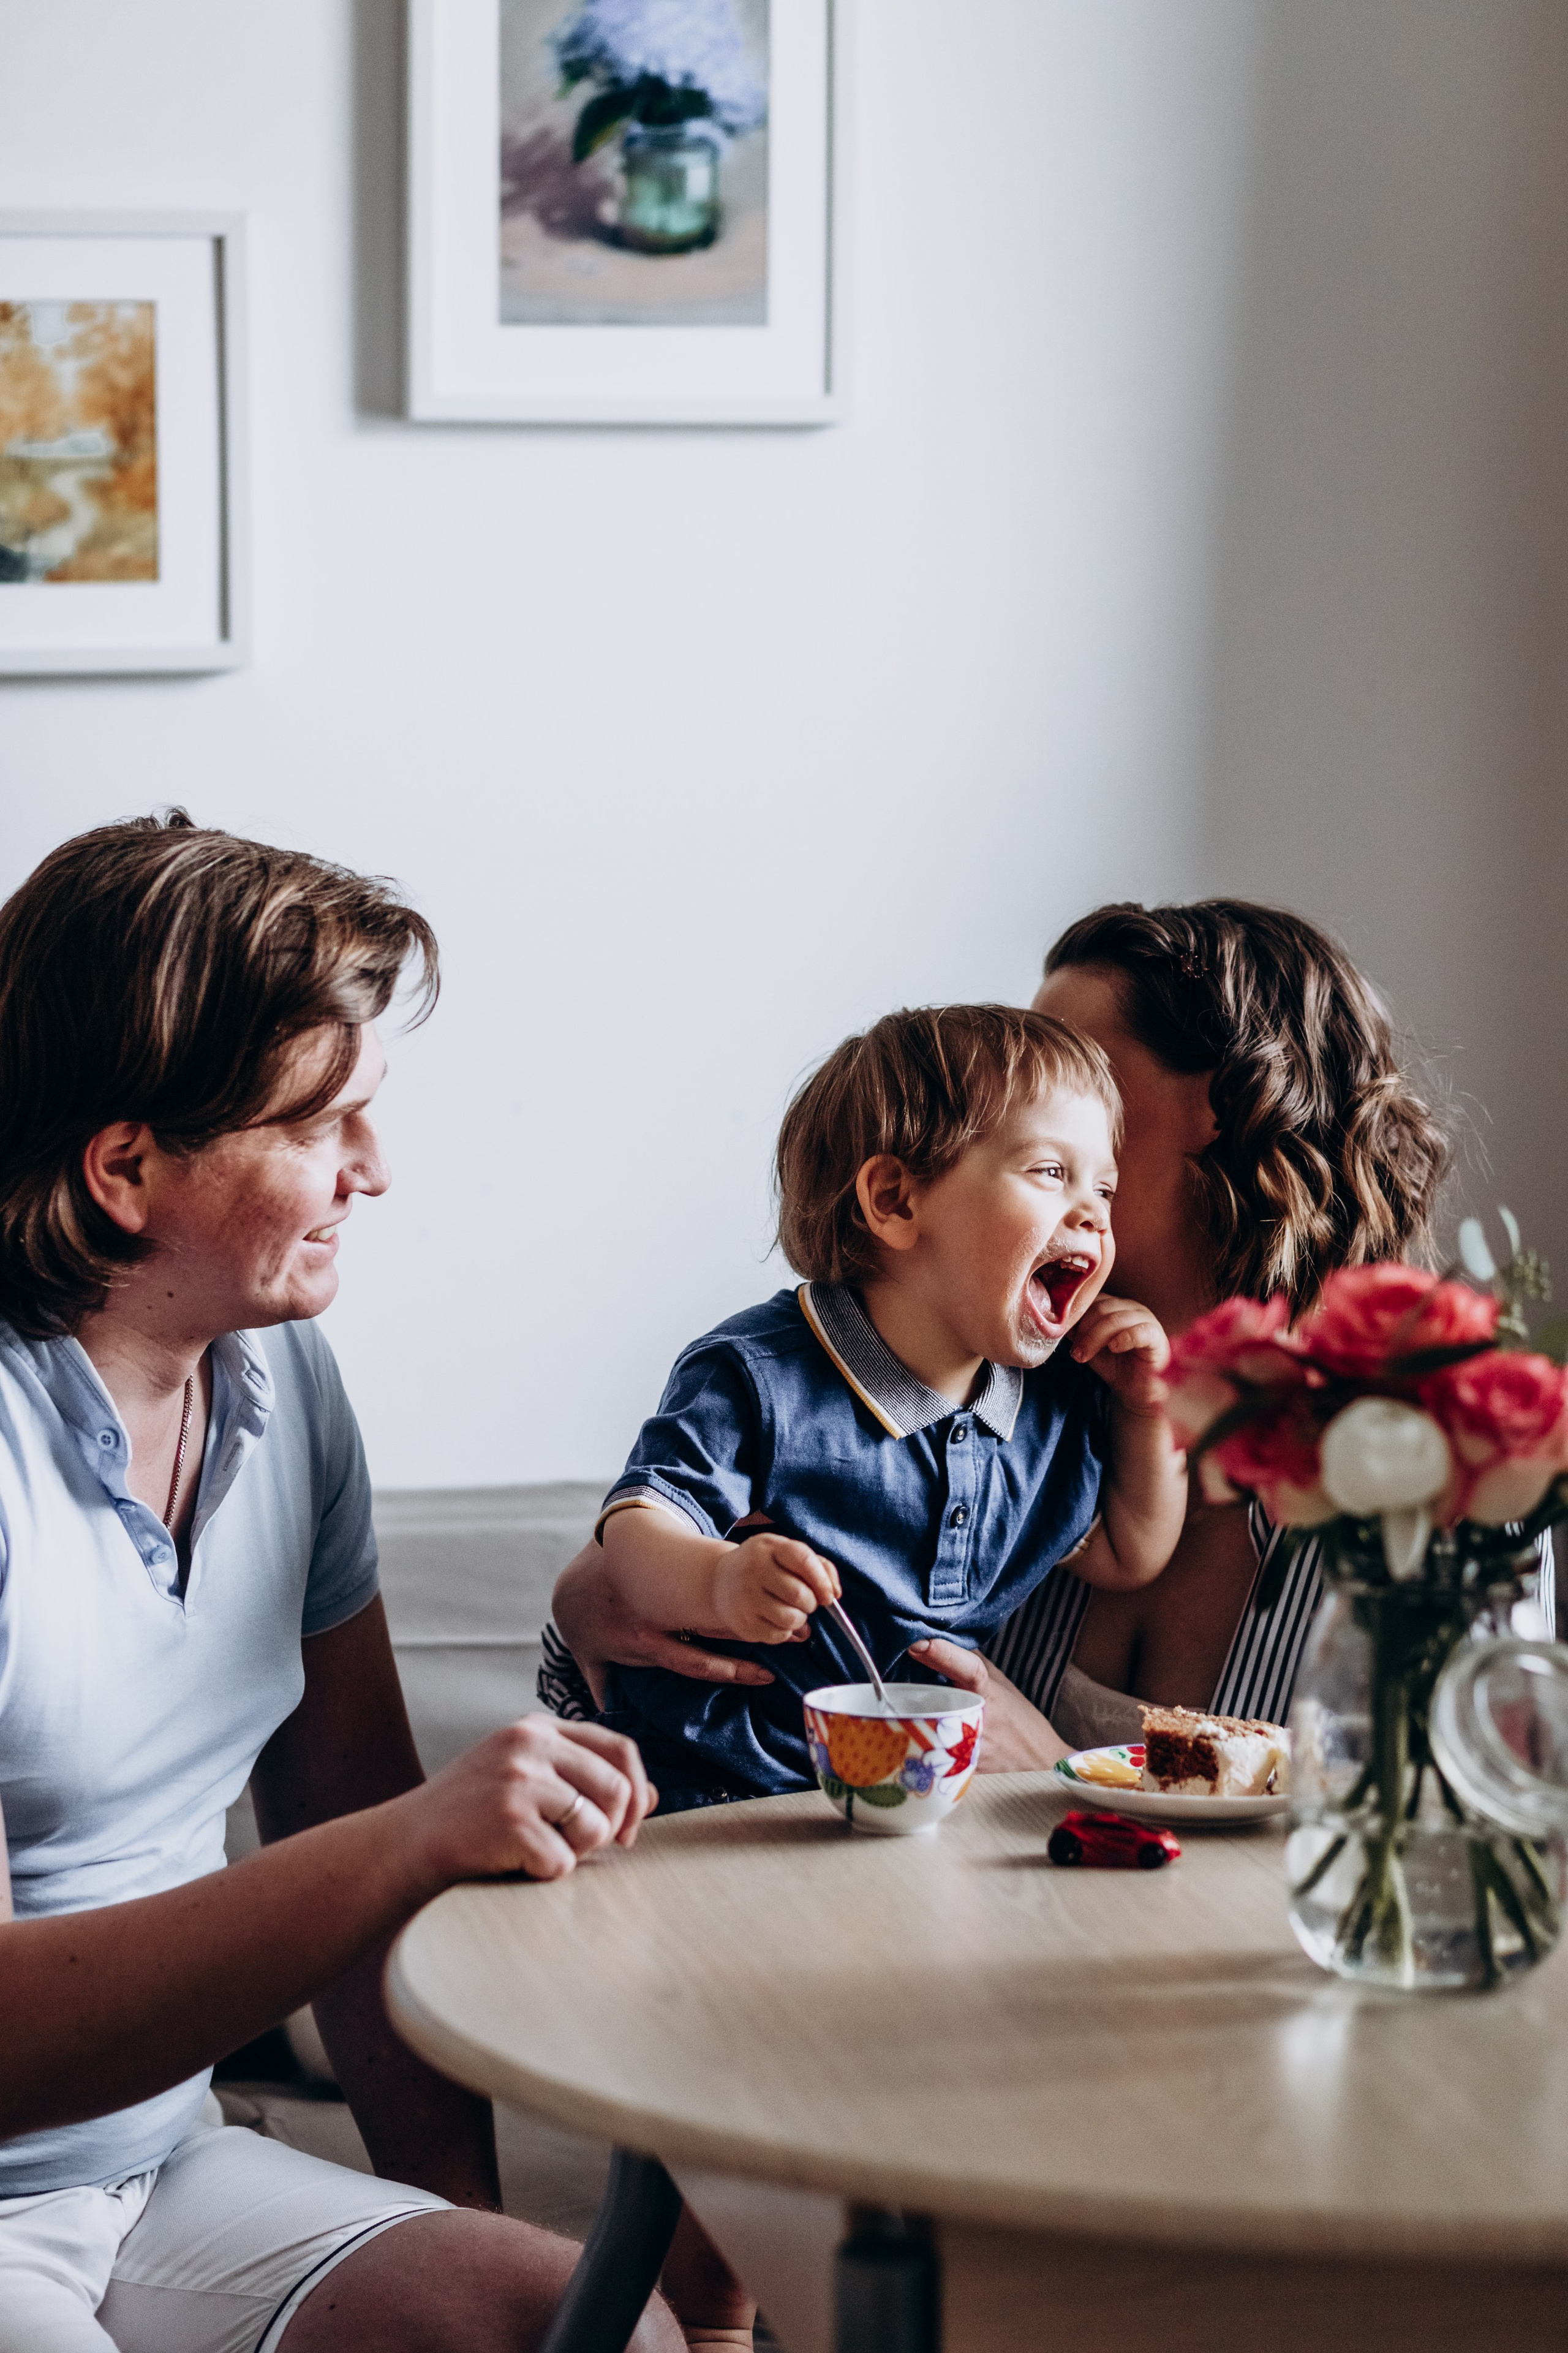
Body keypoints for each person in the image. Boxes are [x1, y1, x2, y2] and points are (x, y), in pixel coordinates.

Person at [0, 814, 681, 2353]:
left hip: (160, 2160)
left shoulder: (283, 1380)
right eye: (324, 1129)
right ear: (126, 1168)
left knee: (592, 2335)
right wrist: (408, 1839)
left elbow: (355, 1831)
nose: (376, 1172)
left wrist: (456, 2223)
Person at [546, 899, 1472, 1764]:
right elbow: (669, 1580)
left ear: (1245, 1113)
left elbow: (1445, 1876)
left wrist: (1052, 1773)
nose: (1043, 1112)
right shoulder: (994, 1397)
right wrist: (590, 1602)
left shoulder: (1436, 1494)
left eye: (1085, 1088)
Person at [576, 1004, 1186, 1811]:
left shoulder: (1049, 1406)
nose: (1094, 1214)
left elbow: (1127, 1548)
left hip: (908, 1803)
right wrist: (719, 1581)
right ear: (897, 1200)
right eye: (1050, 1172)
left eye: (1102, 1185)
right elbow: (635, 1535)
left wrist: (1147, 1411)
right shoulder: (761, 1376)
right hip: (716, 1786)